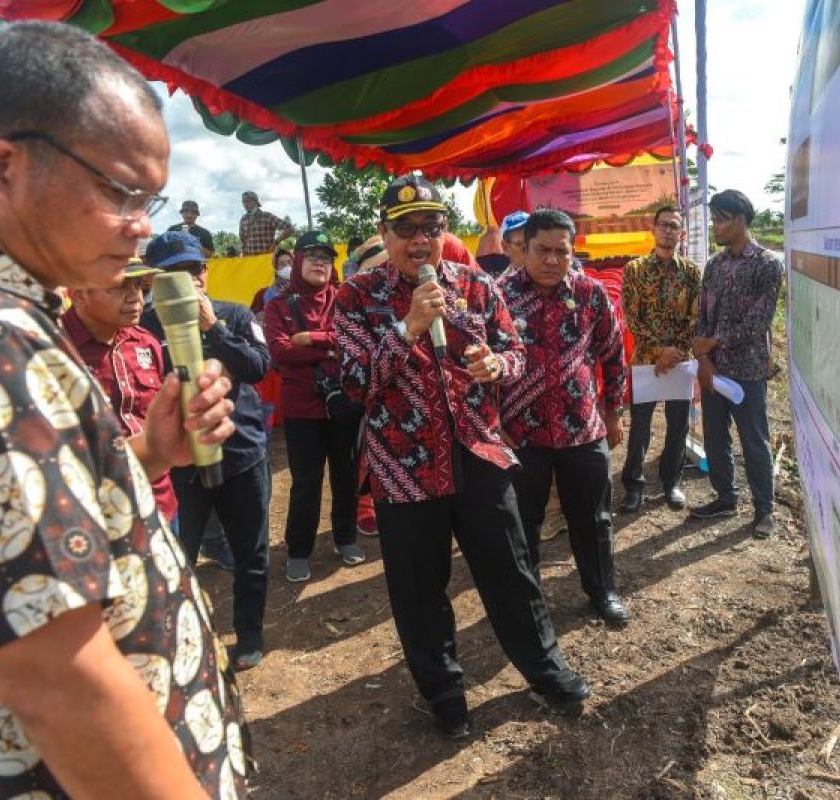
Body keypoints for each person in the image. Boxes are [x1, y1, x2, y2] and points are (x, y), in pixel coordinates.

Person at [0, 21, 245, 797]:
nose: (143, 229)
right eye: (121, 191)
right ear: (1, 167)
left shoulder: (21, 313)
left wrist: (145, 455)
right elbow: (57, 681)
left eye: (152, 200)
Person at [336, 175, 590, 739]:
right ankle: (444, 691)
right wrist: (408, 328)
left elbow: (515, 351)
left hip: (478, 451)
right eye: (406, 230)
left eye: (431, 227)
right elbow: (354, 384)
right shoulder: (355, 297)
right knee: (419, 587)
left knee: (511, 571)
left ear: (445, 232)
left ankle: (545, 671)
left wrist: (499, 367)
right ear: (384, 233)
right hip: (404, 469)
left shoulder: (477, 285)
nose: (420, 240)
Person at [143, 230, 273, 670]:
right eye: (174, 274)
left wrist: (211, 329)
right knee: (177, 556)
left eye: (194, 269)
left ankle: (250, 635)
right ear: (154, 282)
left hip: (241, 455)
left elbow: (258, 366)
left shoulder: (233, 315)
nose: (189, 280)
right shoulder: (142, 329)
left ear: (206, 271)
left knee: (251, 551)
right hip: (179, 468)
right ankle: (183, 641)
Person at [498, 209, 630, 625]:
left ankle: (602, 591)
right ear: (524, 248)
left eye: (562, 251)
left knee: (594, 519)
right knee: (523, 523)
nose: (553, 260)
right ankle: (527, 602)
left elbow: (614, 356)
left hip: (583, 429)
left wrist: (614, 414)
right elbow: (479, 365)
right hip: (521, 433)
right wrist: (492, 426)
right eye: (542, 250)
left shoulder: (591, 294)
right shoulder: (499, 296)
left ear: (572, 250)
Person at [264, 230, 367, 581]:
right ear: (297, 262)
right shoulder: (278, 304)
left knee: (346, 473)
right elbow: (280, 351)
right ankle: (298, 550)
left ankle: (346, 537)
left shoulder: (344, 299)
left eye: (327, 258)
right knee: (306, 481)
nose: (321, 263)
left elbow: (354, 340)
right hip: (301, 409)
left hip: (345, 403)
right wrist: (331, 348)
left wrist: (311, 338)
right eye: (313, 257)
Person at [690, 190, 784, 538]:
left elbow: (758, 321)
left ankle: (764, 510)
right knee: (715, 439)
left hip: (749, 370)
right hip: (714, 368)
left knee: (754, 440)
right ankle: (725, 497)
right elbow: (703, 316)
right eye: (714, 219)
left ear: (740, 220)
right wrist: (703, 358)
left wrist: (713, 343)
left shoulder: (767, 264)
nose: (715, 226)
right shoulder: (715, 265)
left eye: (720, 219)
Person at [63, 259, 179, 528]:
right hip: (95, 515)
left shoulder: (146, 342)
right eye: (119, 287)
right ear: (78, 293)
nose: (135, 298)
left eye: (138, 285)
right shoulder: (53, 349)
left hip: (160, 502)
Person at [619, 206, 701, 514]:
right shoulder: (635, 269)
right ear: (653, 230)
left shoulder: (692, 272)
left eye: (674, 226)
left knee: (678, 426)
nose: (668, 231)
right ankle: (634, 485)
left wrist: (674, 352)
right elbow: (633, 318)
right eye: (663, 225)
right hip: (646, 362)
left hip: (680, 362)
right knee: (640, 426)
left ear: (682, 234)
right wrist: (658, 351)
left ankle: (671, 482)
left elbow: (695, 317)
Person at [238, 190, 293, 255]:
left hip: (267, 258)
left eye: (247, 201)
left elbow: (289, 228)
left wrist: (276, 242)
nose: (245, 204)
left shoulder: (267, 216)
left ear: (255, 201)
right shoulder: (243, 219)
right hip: (251, 260)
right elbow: (243, 240)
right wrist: (244, 250)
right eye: (243, 202)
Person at [251, 247, 292, 318]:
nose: (287, 266)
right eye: (282, 264)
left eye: (289, 262)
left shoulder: (303, 289)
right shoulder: (264, 294)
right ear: (276, 268)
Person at [497, 210, 530, 279]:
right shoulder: (501, 288)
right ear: (505, 248)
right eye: (520, 244)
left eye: (532, 242)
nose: (529, 250)